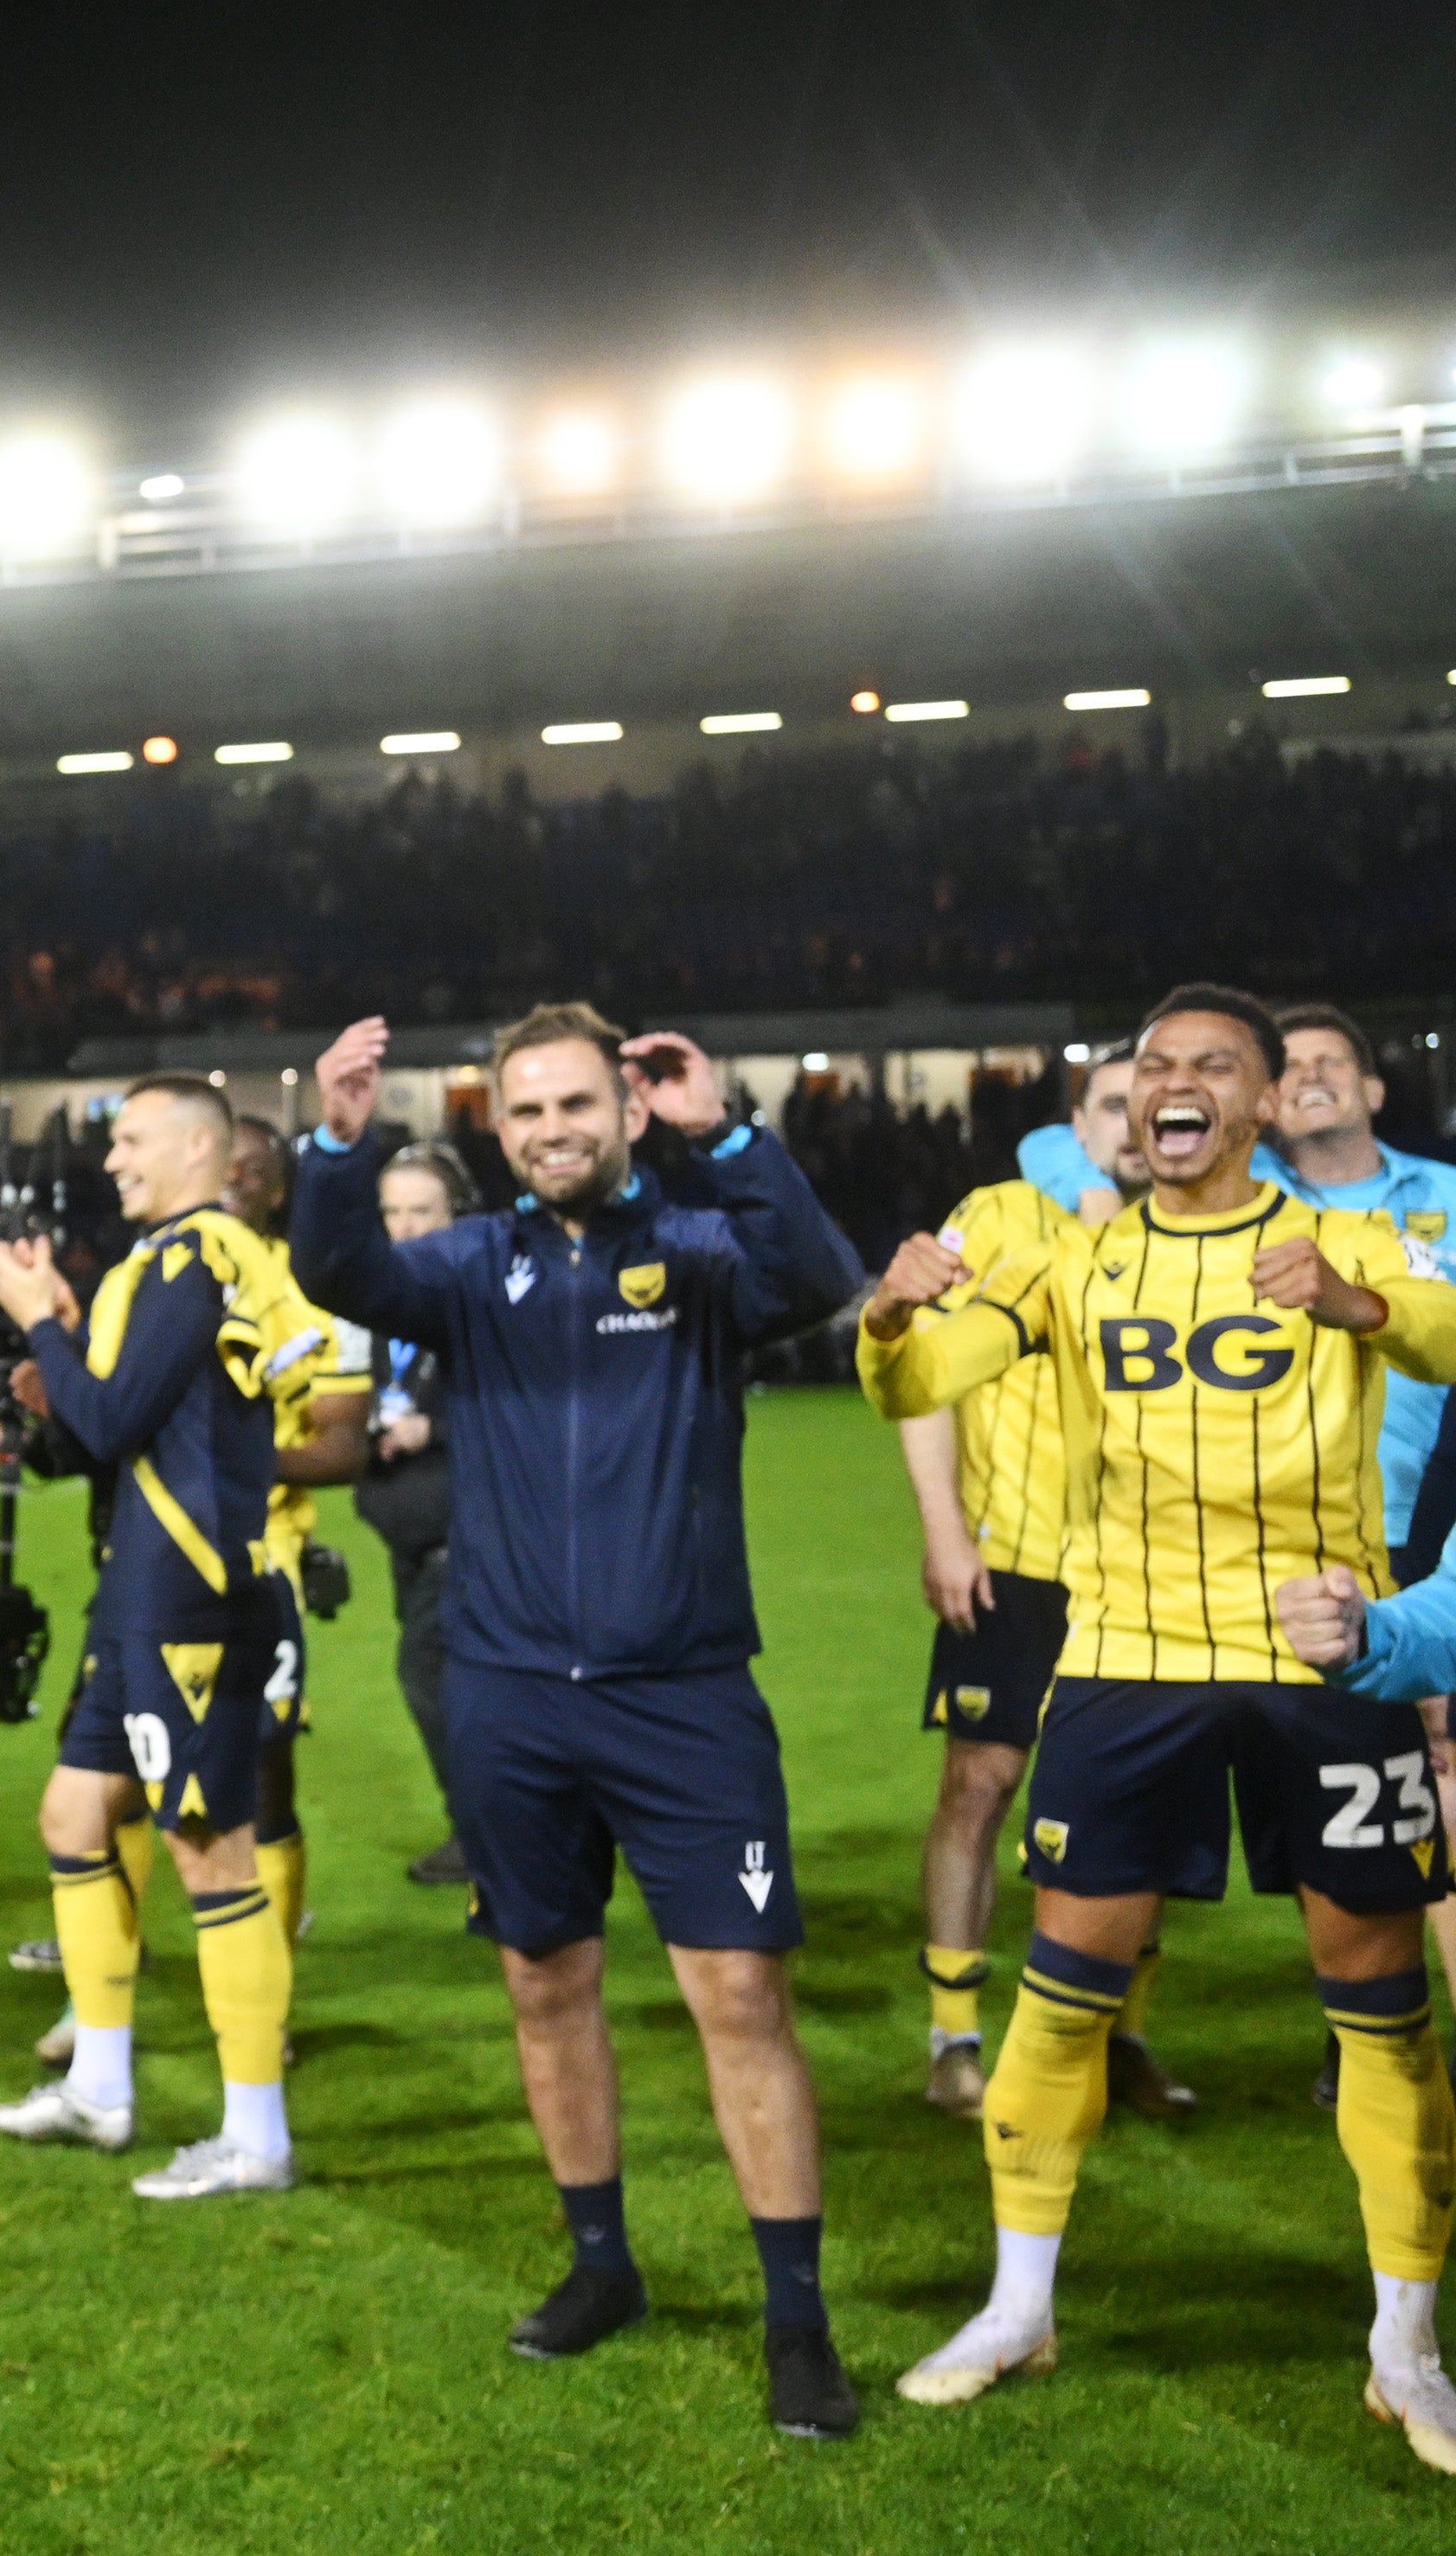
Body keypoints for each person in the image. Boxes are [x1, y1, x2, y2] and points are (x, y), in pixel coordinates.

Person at [863, 986, 1456, 2476]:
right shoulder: (1073, 1261)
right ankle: (1019, 2307)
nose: (1176, 1084)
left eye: (1214, 1065)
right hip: (1127, 1657)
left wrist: (1356, 1307)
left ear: (1267, 1103)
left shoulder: (1344, 1236)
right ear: (1130, 1105)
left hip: (1317, 1656)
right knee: (1066, 1983)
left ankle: (1407, 2347)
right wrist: (894, 1315)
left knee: (1374, 1992)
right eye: (1154, 1067)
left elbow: (1454, 1342)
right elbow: (928, 1375)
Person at [292, 1002, 864, 2440]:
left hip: (685, 1699)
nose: (553, 1129)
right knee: (544, 1984)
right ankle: (601, 2264)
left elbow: (818, 1273)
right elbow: (340, 1265)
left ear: (625, 1109)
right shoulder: (473, 1270)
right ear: (501, 1127)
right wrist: (335, 1142)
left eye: (579, 1105)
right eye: (527, 1110)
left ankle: (799, 2322)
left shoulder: (703, 1249)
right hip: (509, 1700)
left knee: (741, 1998)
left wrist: (727, 1129)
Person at [0, 1076, 310, 2198]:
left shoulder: (196, 1254)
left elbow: (115, 1415)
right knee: (73, 1812)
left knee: (207, 1847)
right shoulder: (163, 1260)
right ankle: (102, 2087)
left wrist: (42, 1320)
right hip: (140, 1588)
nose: (111, 1159)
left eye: (128, 1140)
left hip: (193, 1598)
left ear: (198, 1149)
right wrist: (53, 1370)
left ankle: (256, 2134)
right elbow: (119, 1426)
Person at [889, 1050, 1191, 2123]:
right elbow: (923, 1373)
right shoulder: (1005, 1214)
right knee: (981, 1784)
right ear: (1077, 1121)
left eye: (1147, 1102)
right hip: (1013, 1561)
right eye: (1111, 1101)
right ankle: (954, 2033)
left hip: (1154, 1572)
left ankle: (1123, 2037)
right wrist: (944, 1534)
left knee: (1143, 1804)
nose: (1132, 1118)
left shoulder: (1197, 1232)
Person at [1273, 1003, 1456, 2163]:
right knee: (1331, 1795)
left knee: (1455, 1779)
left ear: (1375, 1091)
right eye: (1290, 1070)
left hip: (1446, 1525)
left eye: (1334, 1061)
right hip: (1299, 1544)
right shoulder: (1241, 1218)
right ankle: (1361, 2010)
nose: (1311, 1079)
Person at [224, 1112, 366, 1950]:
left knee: (265, 1773)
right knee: (105, 1774)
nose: (235, 1182)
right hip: (142, 1557)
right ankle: (97, 1997)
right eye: (223, 1167)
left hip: (258, 1563)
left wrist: (222, 1458)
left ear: (278, 1190)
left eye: (253, 1170)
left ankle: (267, 1981)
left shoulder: (317, 1291)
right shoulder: (148, 1276)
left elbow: (341, 1446)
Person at [351, 1146, 474, 1885]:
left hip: (466, 1526)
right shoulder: (382, 1300)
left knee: (428, 1674)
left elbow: (534, 1392)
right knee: (449, 1680)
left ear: (456, 1216)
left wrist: (436, 1426)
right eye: (391, 1213)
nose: (403, 1228)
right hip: (408, 1527)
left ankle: (484, 1836)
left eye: (420, 1211)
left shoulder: (478, 1291)